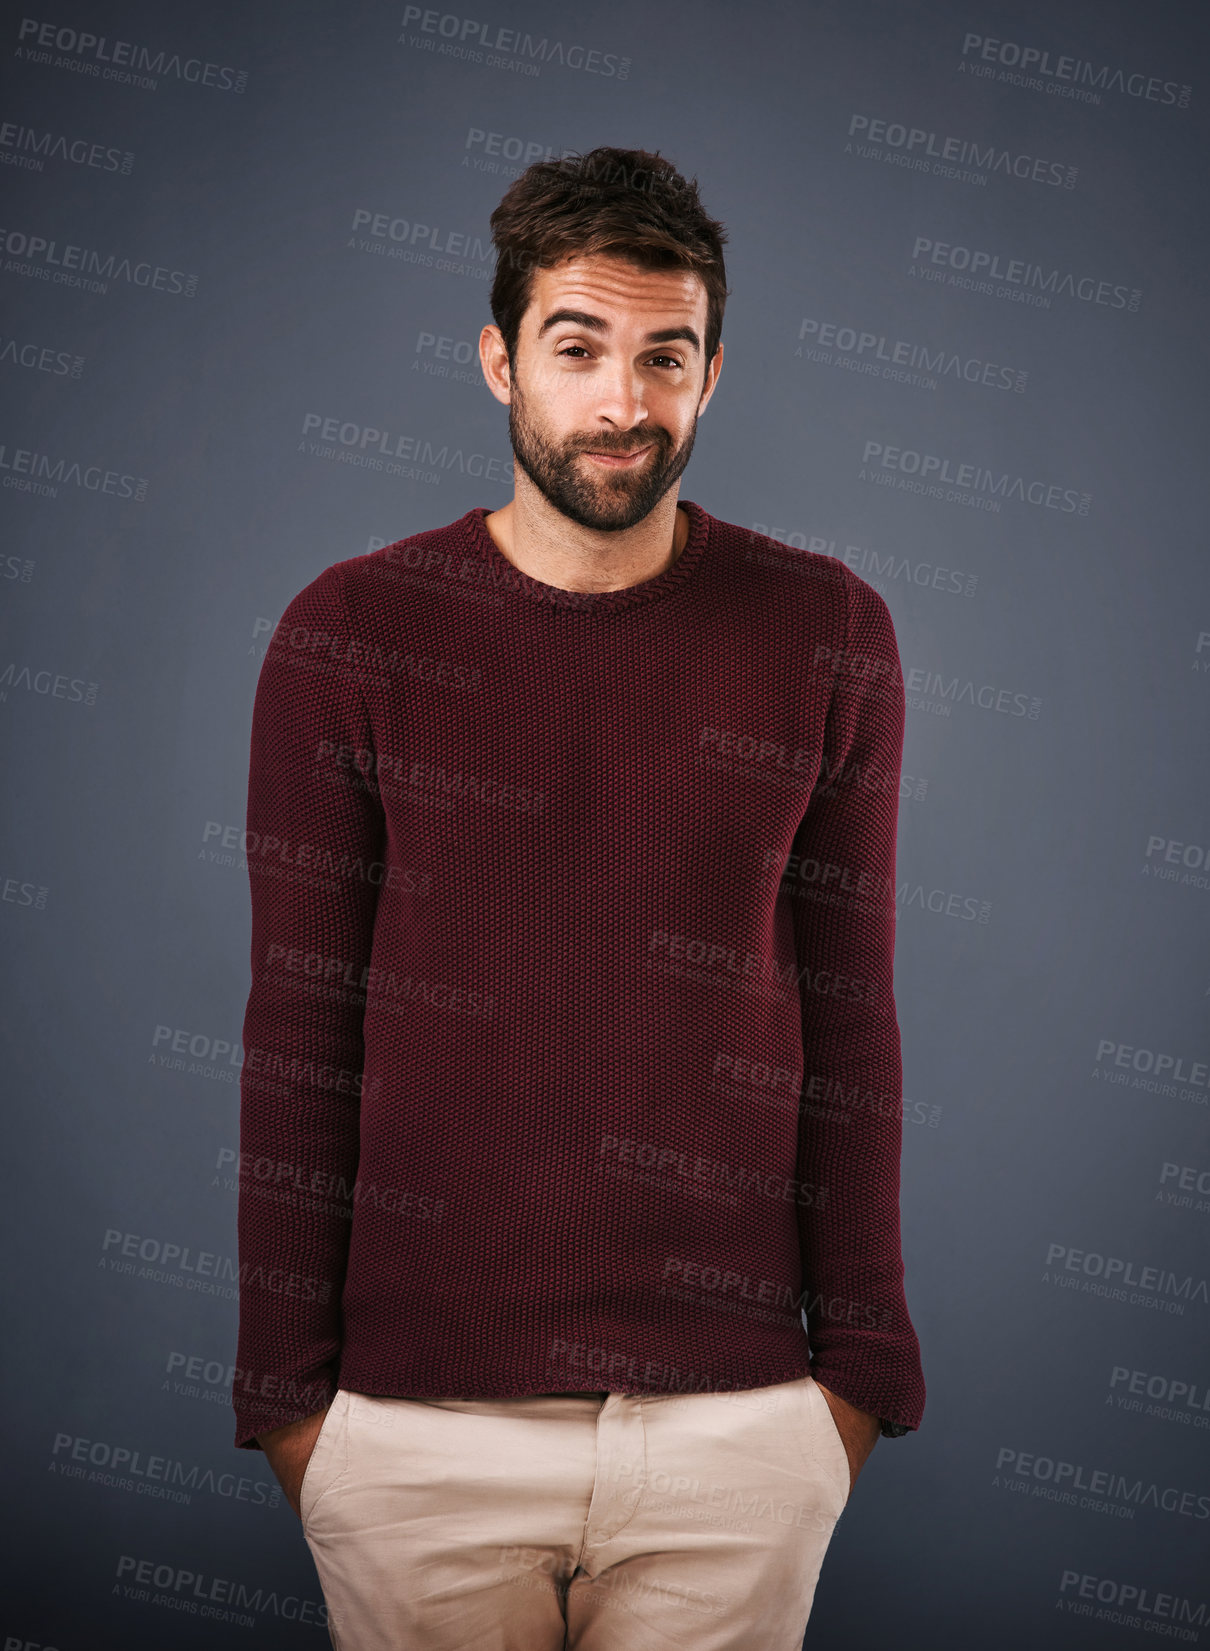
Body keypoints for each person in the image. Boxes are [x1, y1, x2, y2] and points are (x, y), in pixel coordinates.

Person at [233, 144, 925, 1650]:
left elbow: (848, 1019)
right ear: (498, 361)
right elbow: (299, 1030)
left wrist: (856, 1378)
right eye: (577, 348)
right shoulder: (349, 637)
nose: (622, 402)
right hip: (416, 1433)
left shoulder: (826, 633)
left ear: (711, 375)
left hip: (737, 1427)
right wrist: (290, 1405)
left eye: (662, 356)